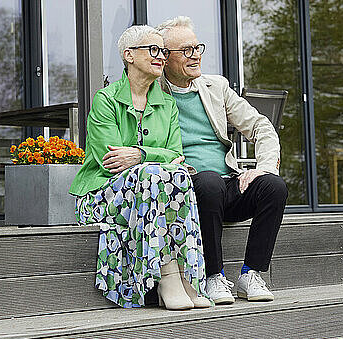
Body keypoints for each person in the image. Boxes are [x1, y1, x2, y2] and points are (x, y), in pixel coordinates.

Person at [69, 25, 211, 310]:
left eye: (162, 51)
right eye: (154, 50)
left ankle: (186, 277)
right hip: (102, 196)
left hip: (149, 190)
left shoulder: (167, 104)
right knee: (154, 174)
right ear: (129, 56)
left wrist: (140, 153)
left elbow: (177, 156)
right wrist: (154, 160)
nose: (161, 56)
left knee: (175, 175)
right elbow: (108, 160)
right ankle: (169, 276)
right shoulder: (106, 100)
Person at [156, 16, 288, 304]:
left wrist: (262, 168)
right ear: (164, 57)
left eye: (197, 47)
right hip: (187, 189)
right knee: (208, 181)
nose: (196, 55)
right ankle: (213, 276)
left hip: (226, 184)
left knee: (274, 186)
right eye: (186, 50)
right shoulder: (153, 92)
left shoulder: (216, 87)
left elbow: (261, 126)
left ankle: (251, 273)